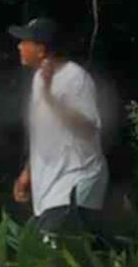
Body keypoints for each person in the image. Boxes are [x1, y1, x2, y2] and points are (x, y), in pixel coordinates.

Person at [9, 16, 109, 238]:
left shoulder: (76, 79)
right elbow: (46, 134)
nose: (19, 46)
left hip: (76, 184)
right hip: (51, 191)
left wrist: (51, 99)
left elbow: (88, 128)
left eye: (25, 41)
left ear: (41, 50)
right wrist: (27, 173)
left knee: (55, 262)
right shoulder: (39, 80)